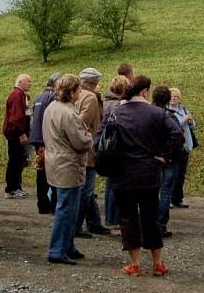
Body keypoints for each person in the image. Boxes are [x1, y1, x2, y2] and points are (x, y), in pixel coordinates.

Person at [107, 76, 184, 277]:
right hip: (149, 172)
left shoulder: (115, 113)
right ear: (145, 91)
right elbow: (177, 134)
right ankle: (158, 263)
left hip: (122, 173)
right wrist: (165, 156)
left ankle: (135, 264)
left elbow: (101, 141)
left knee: (128, 218)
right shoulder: (157, 113)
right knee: (151, 217)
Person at [43, 74, 93, 265]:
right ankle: (57, 250)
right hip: (68, 164)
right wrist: (88, 137)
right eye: (78, 89)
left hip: (56, 161)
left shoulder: (51, 108)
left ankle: (67, 246)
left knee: (68, 207)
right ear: (71, 92)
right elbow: (80, 142)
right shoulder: (69, 113)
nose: (80, 92)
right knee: (66, 209)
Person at [74, 67, 108, 237]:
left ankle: (94, 222)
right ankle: (76, 226)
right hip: (88, 147)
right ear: (95, 82)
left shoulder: (75, 95)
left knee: (86, 188)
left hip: (77, 147)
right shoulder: (90, 98)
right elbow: (81, 123)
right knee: (86, 190)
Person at [30, 72, 62, 214]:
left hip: (37, 138)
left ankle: (42, 204)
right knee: (52, 173)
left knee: (41, 172)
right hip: (46, 139)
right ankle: (53, 204)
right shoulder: (52, 98)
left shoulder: (39, 97)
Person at [152, 85, 181, 237]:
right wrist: (168, 154)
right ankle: (161, 225)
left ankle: (151, 223)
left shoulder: (147, 114)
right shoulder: (169, 116)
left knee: (153, 192)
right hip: (167, 159)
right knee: (165, 193)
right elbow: (178, 136)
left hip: (152, 158)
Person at [103, 75, 129, 227]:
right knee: (116, 185)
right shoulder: (119, 106)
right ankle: (114, 218)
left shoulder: (105, 102)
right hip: (115, 147)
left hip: (105, 147)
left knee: (109, 184)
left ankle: (109, 217)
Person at [2, 73, 31, 199]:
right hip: (15, 135)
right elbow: (16, 117)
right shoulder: (16, 95)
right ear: (20, 82)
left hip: (16, 134)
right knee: (15, 161)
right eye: (28, 81)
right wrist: (21, 133)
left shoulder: (21, 95)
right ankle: (11, 189)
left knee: (19, 161)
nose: (30, 83)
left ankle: (16, 187)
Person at [168, 87, 195, 209]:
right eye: (172, 96)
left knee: (181, 174)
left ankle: (178, 198)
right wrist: (184, 120)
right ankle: (168, 199)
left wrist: (190, 121)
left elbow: (192, 127)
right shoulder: (167, 111)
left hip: (185, 146)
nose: (174, 98)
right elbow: (173, 126)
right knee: (172, 174)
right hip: (174, 147)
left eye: (176, 97)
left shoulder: (183, 109)